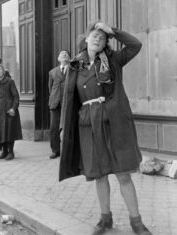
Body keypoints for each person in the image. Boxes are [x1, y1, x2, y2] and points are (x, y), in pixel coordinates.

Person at [59, 22, 152, 235]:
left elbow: (135, 45)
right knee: (99, 175)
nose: (98, 39)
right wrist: (64, 126)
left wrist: (114, 31)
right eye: (95, 35)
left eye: (102, 37)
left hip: (114, 123)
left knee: (123, 174)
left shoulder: (113, 60)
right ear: (86, 38)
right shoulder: (76, 65)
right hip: (88, 124)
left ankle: (136, 222)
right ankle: (105, 219)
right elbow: (68, 98)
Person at [0, 64, 22, 160]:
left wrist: (13, 108)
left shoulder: (9, 82)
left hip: (9, 110)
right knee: (1, 132)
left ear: (3, 71)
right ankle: (4, 152)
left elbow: (16, 96)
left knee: (9, 132)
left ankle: (11, 152)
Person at [48, 50, 70, 159]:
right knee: (54, 127)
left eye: (66, 54)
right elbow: (50, 88)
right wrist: (53, 98)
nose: (64, 55)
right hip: (55, 103)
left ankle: (68, 151)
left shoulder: (74, 69)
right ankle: (55, 150)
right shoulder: (52, 72)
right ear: (58, 58)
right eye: (61, 54)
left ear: (70, 58)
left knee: (68, 127)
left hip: (69, 103)